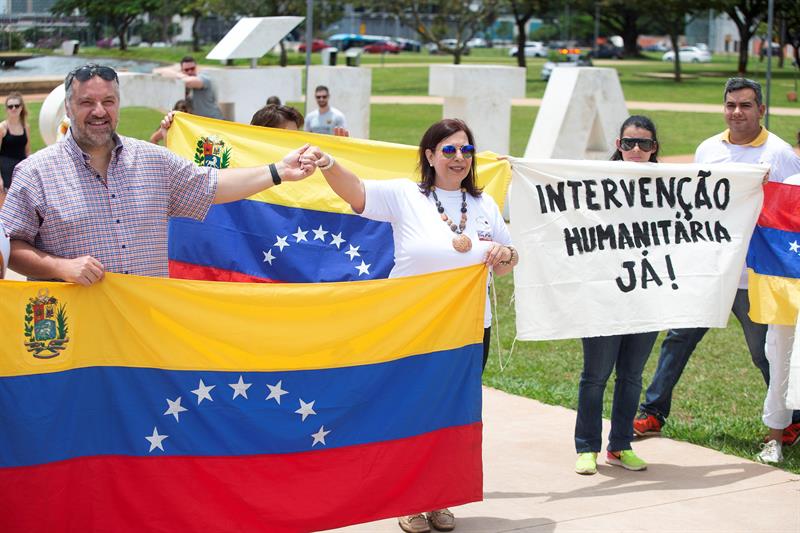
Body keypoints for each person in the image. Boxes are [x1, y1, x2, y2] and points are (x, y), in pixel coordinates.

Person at [299, 118, 518, 533]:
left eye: (466, 150)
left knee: (452, 416)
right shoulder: (406, 195)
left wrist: (505, 255)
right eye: (449, 150)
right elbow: (357, 193)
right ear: (430, 155)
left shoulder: (486, 205)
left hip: (469, 333)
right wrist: (328, 162)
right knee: (410, 415)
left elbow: (508, 262)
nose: (459, 158)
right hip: (411, 332)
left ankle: (440, 499)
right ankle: (410, 501)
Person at [0, 64, 315, 285]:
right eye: (87, 102)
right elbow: (10, 247)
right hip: (77, 341)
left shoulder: (153, 161)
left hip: (144, 336)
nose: (99, 111)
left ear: (118, 105)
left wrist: (278, 171)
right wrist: (59, 267)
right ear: (67, 108)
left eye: (108, 101)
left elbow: (213, 185)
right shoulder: (35, 172)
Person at [634, 78, 800, 448]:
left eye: (745, 105)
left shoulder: (780, 154)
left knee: (765, 352)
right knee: (678, 338)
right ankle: (652, 412)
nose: (737, 112)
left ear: (761, 109)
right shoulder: (708, 149)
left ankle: (789, 419)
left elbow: (791, 215)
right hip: (710, 269)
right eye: (730, 105)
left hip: (755, 274)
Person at [574, 115, 660, 476]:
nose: (636, 150)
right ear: (617, 145)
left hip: (648, 295)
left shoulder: (669, 185)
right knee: (595, 376)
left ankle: (621, 446)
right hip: (603, 298)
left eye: (643, 144)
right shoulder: (597, 183)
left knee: (632, 376)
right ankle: (587, 448)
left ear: (654, 147)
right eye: (628, 143)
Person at [756, 171, 800, 464]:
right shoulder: (789, 184)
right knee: (781, 358)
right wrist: (755, 188)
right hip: (788, 287)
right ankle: (774, 438)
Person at [156, 56, 223, 120]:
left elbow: (188, 82)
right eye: (186, 70)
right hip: (200, 123)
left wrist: (179, 75)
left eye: (192, 68)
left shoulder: (204, 78)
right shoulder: (183, 79)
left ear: (196, 68)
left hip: (214, 121)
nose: (190, 72)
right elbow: (162, 71)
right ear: (182, 70)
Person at [0, 92, 31, 208]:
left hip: (21, 170)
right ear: (7, 109)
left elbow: (28, 151)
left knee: (21, 206)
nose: (13, 108)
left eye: (16, 106)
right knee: (4, 208)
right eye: (10, 106)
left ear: (21, 107)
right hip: (5, 171)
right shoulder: (2, 128)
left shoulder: (25, 127)